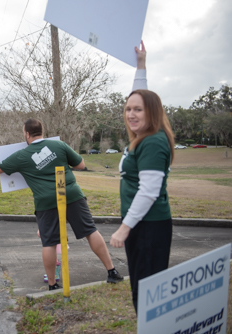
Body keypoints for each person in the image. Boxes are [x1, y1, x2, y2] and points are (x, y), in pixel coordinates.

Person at [0, 119, 124, 291]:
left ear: (27, 134)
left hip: (46, 201)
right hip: (71, 194)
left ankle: (52, 285)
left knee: (49, 242)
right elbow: (81, 165)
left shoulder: (21, 155)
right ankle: (112, 271)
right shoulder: (59, 145)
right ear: (42, 131)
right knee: (90, 231)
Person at [110, 42, 173, 313]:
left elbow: (149, 191)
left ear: (152, 112)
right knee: (142, 290)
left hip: (149, 226)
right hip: (142, 226)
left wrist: (125, 227)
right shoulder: (143, 137)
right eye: (128, 109)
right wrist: (140, 66)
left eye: (138, 109)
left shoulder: (153, 142)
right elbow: (141, 95)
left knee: (147, 295)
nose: (131, 113)